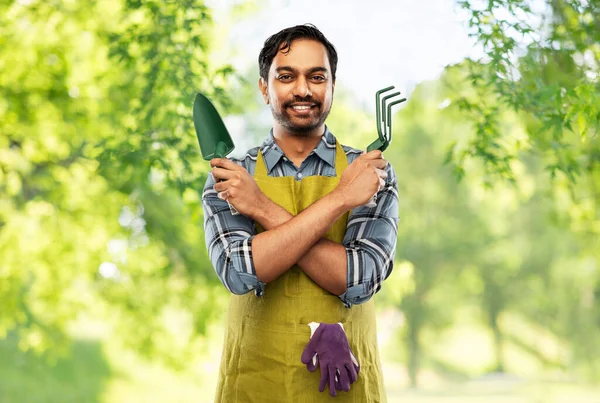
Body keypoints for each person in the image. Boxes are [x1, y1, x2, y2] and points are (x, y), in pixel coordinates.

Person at [202, 23, 399, 402]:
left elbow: (357, 278)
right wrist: (342, 198)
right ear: (264, 87)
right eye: (286, 76)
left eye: (317, 76)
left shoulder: (370, 174)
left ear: (332, 86)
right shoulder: (230, 176)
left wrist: (259, 207)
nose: (303, 89)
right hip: (256, 382)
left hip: (346, 387)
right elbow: (242, 272)